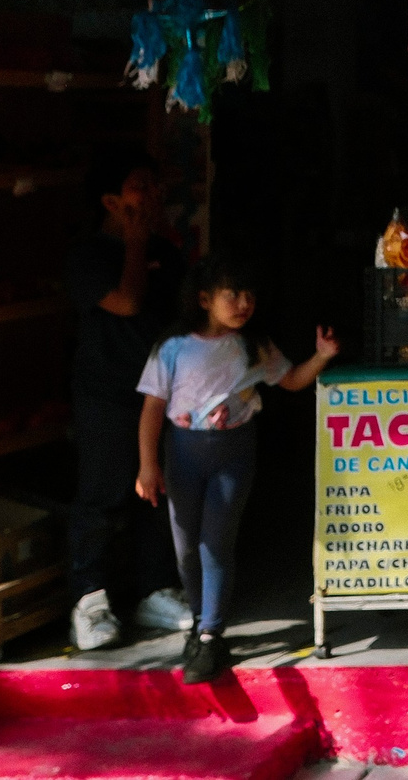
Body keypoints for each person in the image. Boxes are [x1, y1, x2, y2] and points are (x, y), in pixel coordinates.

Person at [135, 253, 338, 684]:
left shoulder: (254, 345)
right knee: (186, 545)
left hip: (235, 453)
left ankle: (211, 633)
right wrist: (148, 465)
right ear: (205, 299)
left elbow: (292, 380)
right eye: (232, 294)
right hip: (183, 454)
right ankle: (198, 621)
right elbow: (152, 409)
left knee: (216, 542)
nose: (243, 303)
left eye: (249, 295)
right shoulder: (173, 347)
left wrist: (321, 357)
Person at [63, 153, 189, 650]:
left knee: (161, 494)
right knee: (102, 496)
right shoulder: (87, 256)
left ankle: (155, 590)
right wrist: (134, 244)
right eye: (140, 186)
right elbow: (127, 302)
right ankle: (89, 601)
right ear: (110, 202)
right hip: (107, 394)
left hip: (165, 393)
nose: (153, 194)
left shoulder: (168, 252)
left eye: (155, 185)